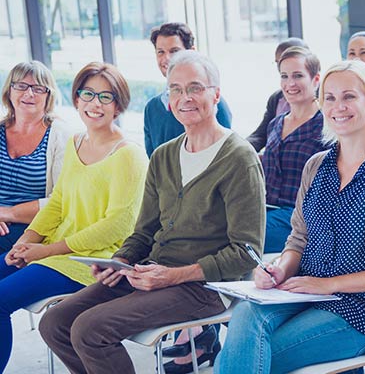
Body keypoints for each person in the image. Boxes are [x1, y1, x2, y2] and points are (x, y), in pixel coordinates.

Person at [38, 51, 265, 374]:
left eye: (195, 88)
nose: (185, 97)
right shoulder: (164, 156)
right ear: (168, 100)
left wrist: (174, 275)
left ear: (216, 94)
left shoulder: (238, 158)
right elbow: (144, 230)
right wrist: (121, 261)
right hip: (150, 273)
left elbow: (247, 252)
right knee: (55, 322)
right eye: (175, 89)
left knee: (90, 329)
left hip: (205, 286)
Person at [214, 59, 365, 373]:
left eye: (349, 97)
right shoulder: (316, 166)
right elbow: (297, 240)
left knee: (243, 357)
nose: (337, 106)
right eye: (329, 97)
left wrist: (329, 285)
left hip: (358, 309)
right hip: (300, 291)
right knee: (246, 315)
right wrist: (278, 269)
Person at [0, 62, 147, 372]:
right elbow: (58, 203)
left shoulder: (128, 154)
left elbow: (116, 226)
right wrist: (27, 240)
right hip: (57, 250)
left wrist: (45, 250)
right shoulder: (76, 143)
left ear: (118, 105)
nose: (95, 104)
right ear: (76, 99)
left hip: (92, 261)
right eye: (88, 94)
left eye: (105, 97)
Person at [260, 47, 326, 253]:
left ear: (316, 80)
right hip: (267, 209)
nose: (290, 84)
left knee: (247, 234)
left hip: (302, 218)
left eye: (298, 76)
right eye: (284, 76)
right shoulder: (276, 123)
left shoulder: (327, 125)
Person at [0, 61, 71, 252]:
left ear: (48, 96)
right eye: (21, 86)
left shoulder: (61, 136)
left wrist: (6, 213)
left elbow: (63, 200)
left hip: (32, 228)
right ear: (9, 91)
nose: (29, 94)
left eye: (38, 88)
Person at [144, 22, 233, 156]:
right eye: (160, 52)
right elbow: (153, 161)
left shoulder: (213, 104)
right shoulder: (152, 108)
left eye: (174, 51)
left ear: (191, 52)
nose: (166, 58)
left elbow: (225, 153)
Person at [247, 37, 310, 151]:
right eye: (279, 63)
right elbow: (261, 135)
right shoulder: (276, 99)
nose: (282, 67)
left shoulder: (325, 98)